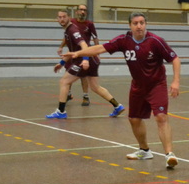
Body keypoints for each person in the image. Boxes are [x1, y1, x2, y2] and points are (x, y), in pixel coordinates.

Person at [65, 12, 181, 168]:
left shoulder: (155, 41)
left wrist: (175, 81)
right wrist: (78, 53)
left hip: (156, 85)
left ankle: (169, 155)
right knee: (134, 119)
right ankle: (144, 151)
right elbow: (100, 48)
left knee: (161, 117)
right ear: (130, 25)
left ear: (145, 24)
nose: (139, 26)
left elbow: (175, 59)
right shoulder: (124, 40)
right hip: (138, 86)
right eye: (135, 23)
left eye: (142, 23)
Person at [45, 10, 124, 119]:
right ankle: (117, 106)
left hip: (84, 60)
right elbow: (72, 50)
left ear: (69, 17)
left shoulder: (72, 30)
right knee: (95, 87)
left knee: (64, 82)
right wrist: (62, 63)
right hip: (93, 60)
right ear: (57, 19)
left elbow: (84, 45)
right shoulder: (68, 31)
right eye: (60, 17)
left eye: (64, 17)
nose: (62, 19)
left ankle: (61, 111)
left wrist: (85, 59)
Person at [59, 3, 98, 106]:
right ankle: (68, 94)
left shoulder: (89, 24)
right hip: (73, 53)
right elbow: (66, 37)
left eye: (84, 10)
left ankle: (85, 96)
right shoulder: (71, 23)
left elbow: (95, 38)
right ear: (76, 12)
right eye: (81, 10)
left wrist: (97, 51)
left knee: (83, 76)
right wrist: (61, 46)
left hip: (84, 53)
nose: (82, 12)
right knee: (68, 73)